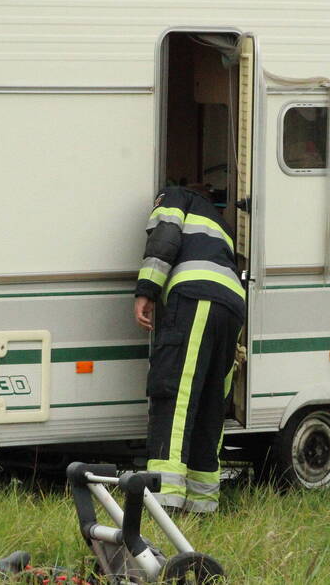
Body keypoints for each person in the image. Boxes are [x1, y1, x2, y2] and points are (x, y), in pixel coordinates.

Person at [133, 184, 245, 513]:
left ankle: (163, 503)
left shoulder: (175, 198)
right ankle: (202, 503)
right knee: (211, 403)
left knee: (176, 395)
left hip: (197, 297)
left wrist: (146, 290)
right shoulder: (220, 225)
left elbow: (164, 240)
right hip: (232, 306)